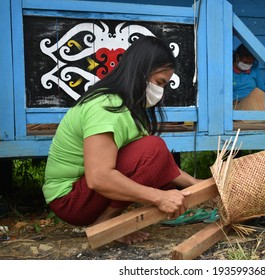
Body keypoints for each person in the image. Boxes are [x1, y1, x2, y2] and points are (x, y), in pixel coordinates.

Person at [42, 36, 201, 245]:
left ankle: (108, 224)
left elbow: (159, 163)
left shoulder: (127, 107)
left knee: (154, 151)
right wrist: (160, 197)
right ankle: (106, 226)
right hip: (70, 200)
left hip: (86, 194)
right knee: (153, 147)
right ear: (141, 71)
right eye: (159, 83)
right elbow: (98, 178)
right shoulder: (105, 107)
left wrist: (199, 185)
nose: (161, 93)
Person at [233, 44, 265, 111]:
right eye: (245, 62)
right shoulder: (227, 72)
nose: (247, 65)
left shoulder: (255, 71)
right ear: (237, 57)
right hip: (234, 105)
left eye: (250, 63)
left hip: (253, 104)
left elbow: (262, 90)